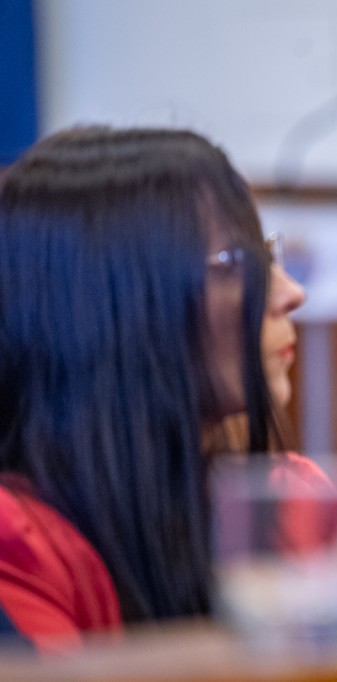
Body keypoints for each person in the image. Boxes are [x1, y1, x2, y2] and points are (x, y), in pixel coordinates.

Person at [0, 126, 307, 652]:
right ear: (110, 307)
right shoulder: (17, 547)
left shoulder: (275, 497)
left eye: (267, 256)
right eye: (235, 263)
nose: (291, 293)